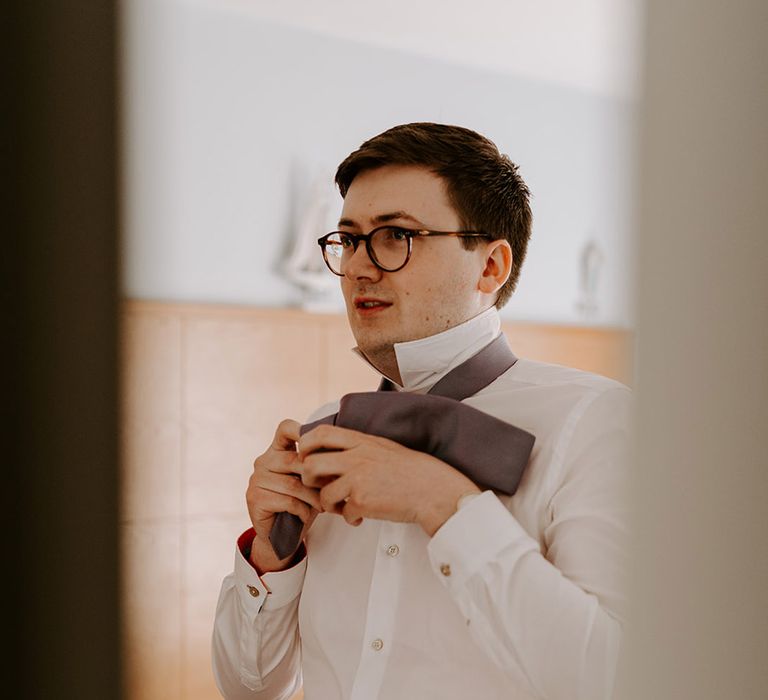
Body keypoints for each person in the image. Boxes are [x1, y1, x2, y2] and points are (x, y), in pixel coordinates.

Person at [211, 123, 631, 700]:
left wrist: (443, 504)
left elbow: (614, 676)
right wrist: (269, 558)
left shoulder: (598, 423)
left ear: (490, 266)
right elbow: (250, 690)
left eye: (395, 236)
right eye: (349, 239)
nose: (359, 265)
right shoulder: (325, 428)